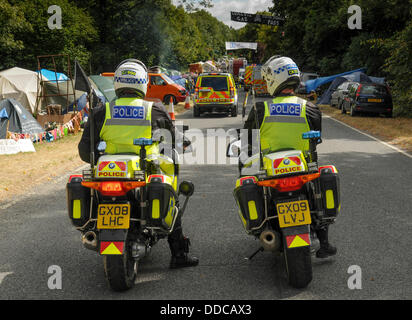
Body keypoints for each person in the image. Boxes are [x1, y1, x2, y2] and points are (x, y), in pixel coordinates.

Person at [78, 59, 199, 269]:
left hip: (110, 173)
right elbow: (171, 139)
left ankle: (95, 229)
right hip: (145, 172)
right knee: (171, 198)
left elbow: (84, 150)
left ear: (117, 82)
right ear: (143, 83)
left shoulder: (102, 111)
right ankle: (178, 254)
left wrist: (99, 158)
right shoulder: (154, 109)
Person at [243, 55, 337, 259]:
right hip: (302, 168)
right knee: (316, 191)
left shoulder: (261, 109)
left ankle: (262, 227)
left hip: (271, 171)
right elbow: (317, 139)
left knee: (249, 175)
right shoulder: (310, 108)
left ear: (274, 80)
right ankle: (324, 241)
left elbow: (247, 142)